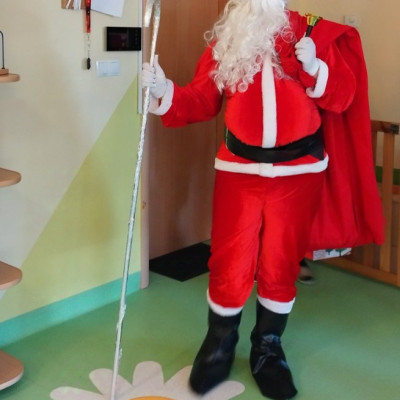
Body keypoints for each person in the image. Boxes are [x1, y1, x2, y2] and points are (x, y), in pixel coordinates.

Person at [142, 0, 384, 398]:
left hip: (299, 174)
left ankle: (268, 348)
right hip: (239, 172)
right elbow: (202, 99)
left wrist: (316, 68)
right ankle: (219, 344)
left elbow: (342, 97)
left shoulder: (313, 34)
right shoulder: (228, 37)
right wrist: (164, 90)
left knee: (281, 262)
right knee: (229, 260)